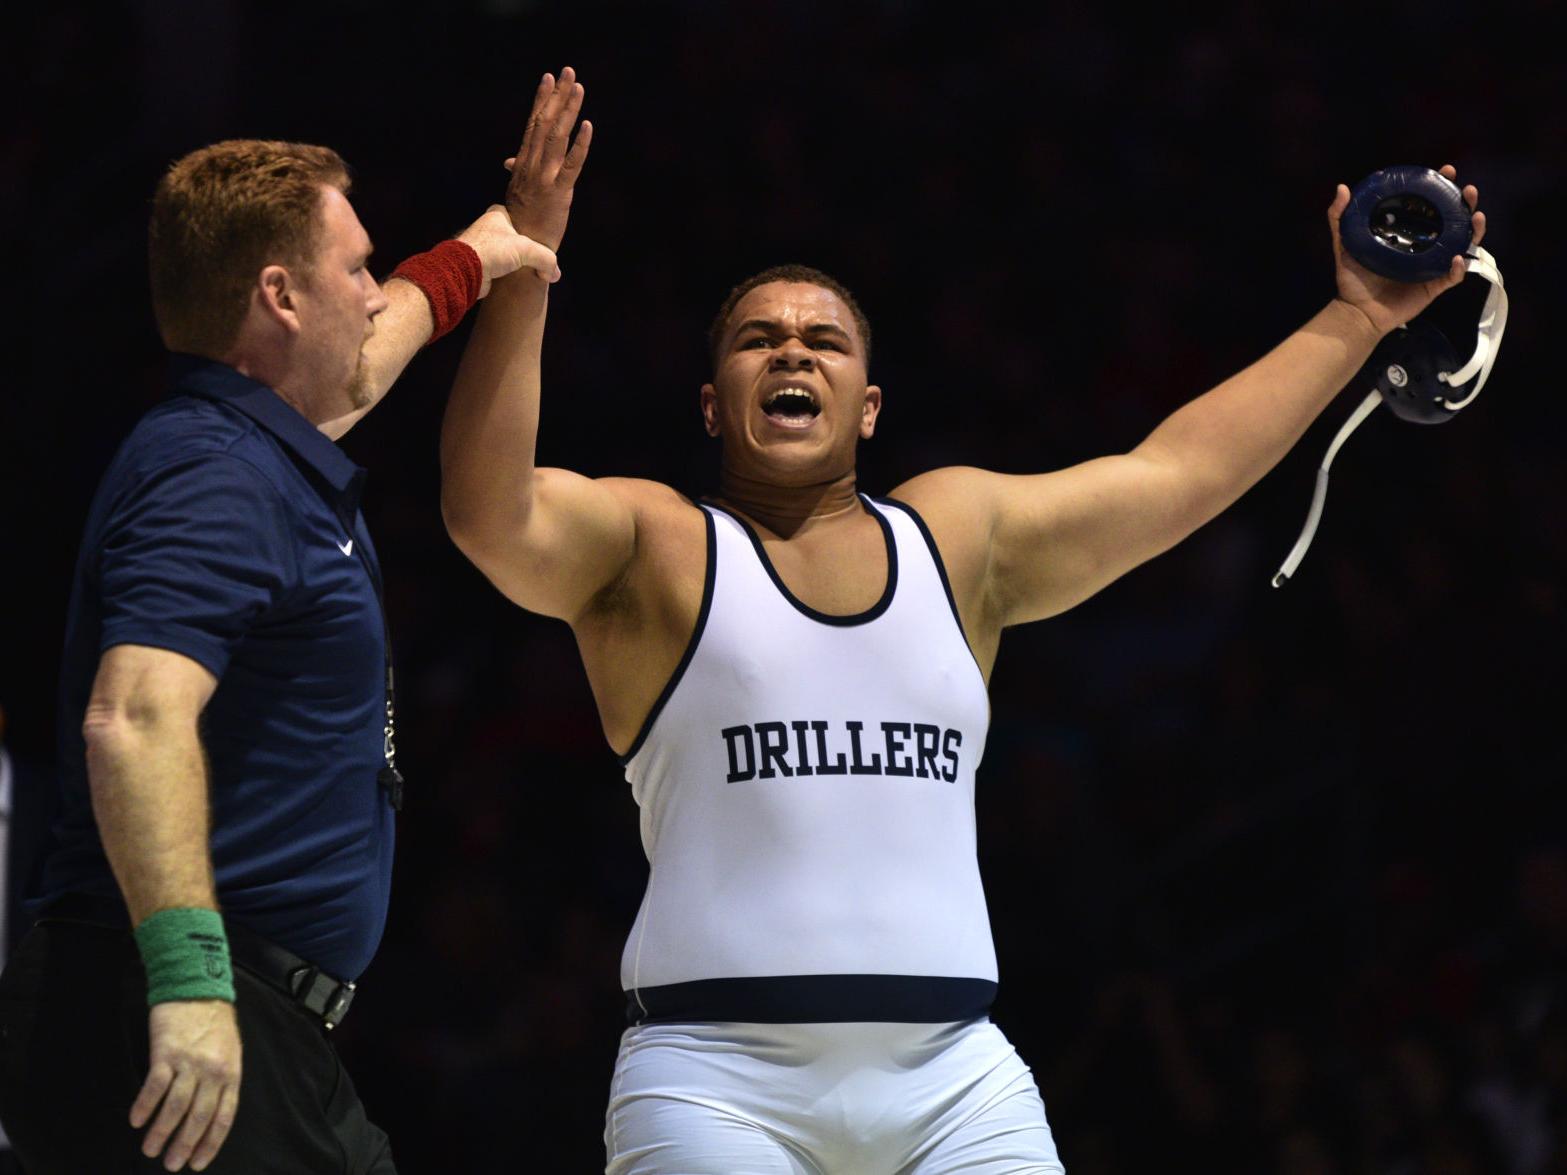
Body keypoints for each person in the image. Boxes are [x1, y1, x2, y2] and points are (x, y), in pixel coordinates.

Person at [442, 71, 1483, 1171]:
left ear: (869, 406)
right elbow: (487, 512)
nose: (791, 350)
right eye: (757, 339)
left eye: (824, 341)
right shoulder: (656, 546)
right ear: (711, 404)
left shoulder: (956, 537)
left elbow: (1176, 472)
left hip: (953, 1076)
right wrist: (523, 268)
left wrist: (1357, 316)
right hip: (714, 1078)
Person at [0, 113, 562, 1174]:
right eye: (355, 268)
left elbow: (372, 355)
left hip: (224, 1020)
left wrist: (491, 249)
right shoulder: (216, 474)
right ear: (280, 296)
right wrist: (189, 979)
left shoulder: (258, 442)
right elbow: (133, 716)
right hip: (175, 1011)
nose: (374, 290)